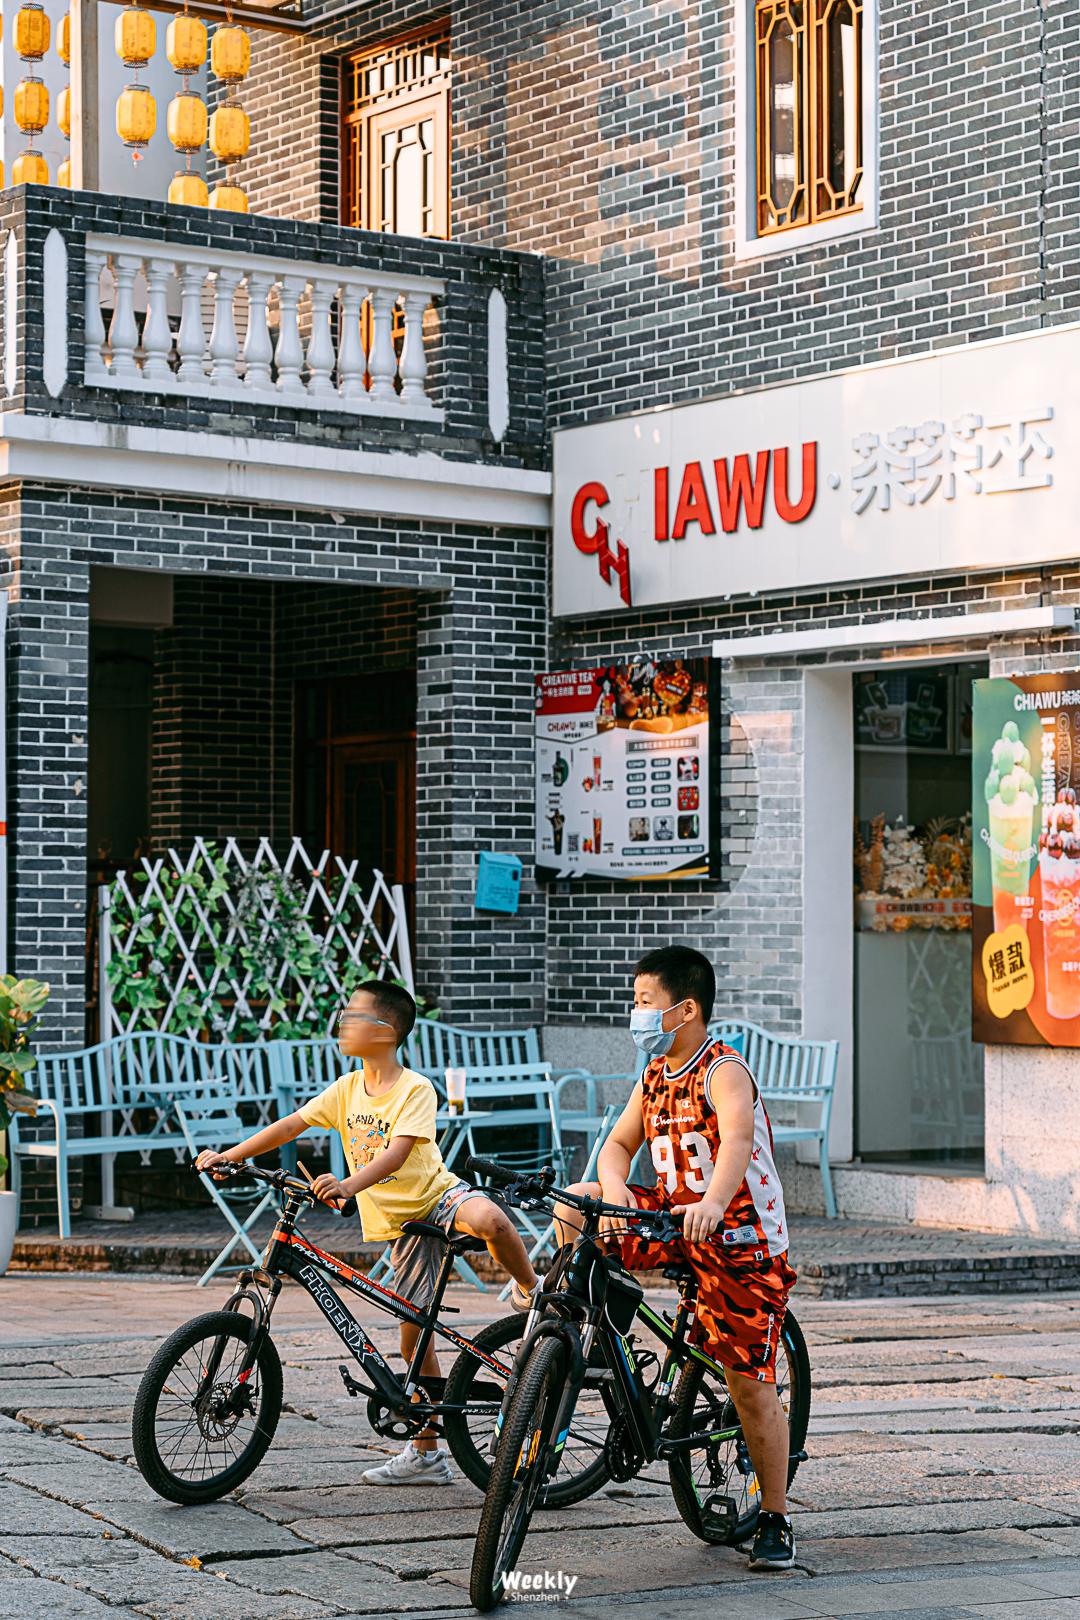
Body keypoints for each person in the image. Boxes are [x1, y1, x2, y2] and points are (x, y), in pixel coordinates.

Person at [195, 978, 539, 1486]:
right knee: (412, 1344)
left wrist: (348, 1185)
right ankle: (426, 1456)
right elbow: (290, 1125)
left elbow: (398, 1152)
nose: (341, 1023)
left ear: (385, 1032)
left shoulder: (414, 1088)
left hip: (436, 1200)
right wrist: (231, 1154)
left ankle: (531, 1289)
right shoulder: (347, 1088)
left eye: (352, 1015)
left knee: (490, 1219)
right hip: (401, 1229)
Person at [552, 945, 798, 1571]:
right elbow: (617, 1145)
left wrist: (715, 1201)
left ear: (684, 1009)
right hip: (668, 1215)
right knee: (575, 1204)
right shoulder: (653, 1076)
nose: (634, 1014)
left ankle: (775, 1515)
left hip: (738, 1239)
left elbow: (738, 1139)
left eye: (643, 1003)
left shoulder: (723, 1071)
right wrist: (610, 1191)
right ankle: (578, 1325)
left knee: (747, 1383)